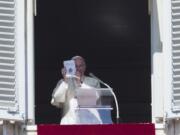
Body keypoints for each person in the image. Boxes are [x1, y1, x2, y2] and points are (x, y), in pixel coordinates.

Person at [51, 56, 103, 124]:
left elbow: (96, 101)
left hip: (89, 122)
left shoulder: (93, 82)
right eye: (75, 66)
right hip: (69, 122)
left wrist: (79, 82)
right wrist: (65, 80)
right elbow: (57, 100)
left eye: (80, 66)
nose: (78, 69)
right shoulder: (63, 82)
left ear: (85, 67)